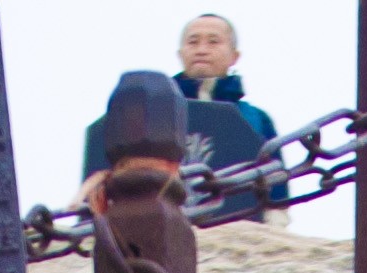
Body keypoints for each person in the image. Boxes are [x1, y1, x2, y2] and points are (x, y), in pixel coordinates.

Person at [86, 14, 281, 207]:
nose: (201, 50)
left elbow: (276, 181)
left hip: (238, 219)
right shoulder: (147, 113)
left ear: (234, 56)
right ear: (180, 54)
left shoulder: (256, 119)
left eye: (213, 42)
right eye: (193, 42)